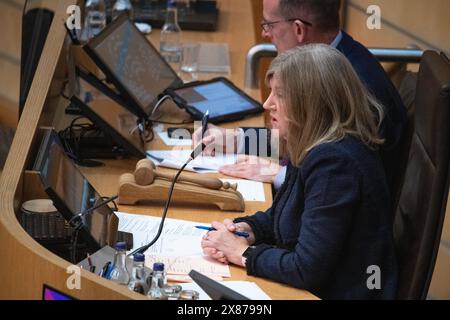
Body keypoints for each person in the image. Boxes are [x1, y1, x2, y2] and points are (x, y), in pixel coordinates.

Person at [201, 44, 398, 300]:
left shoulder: (336, 164)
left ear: (311, 103)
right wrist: (248, 230)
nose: (266, 103)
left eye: (279, 95)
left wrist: (242, 253)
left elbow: (307, 269)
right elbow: (289, 214)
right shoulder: (311, 140)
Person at [194, 0, 407, 192]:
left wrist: (277, 174)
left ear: (298, 29)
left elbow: (340, 177)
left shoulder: (355, 89)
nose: (265, 34)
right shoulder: (340, 57)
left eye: (270, 24)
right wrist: (238, 139)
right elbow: (308, 133)